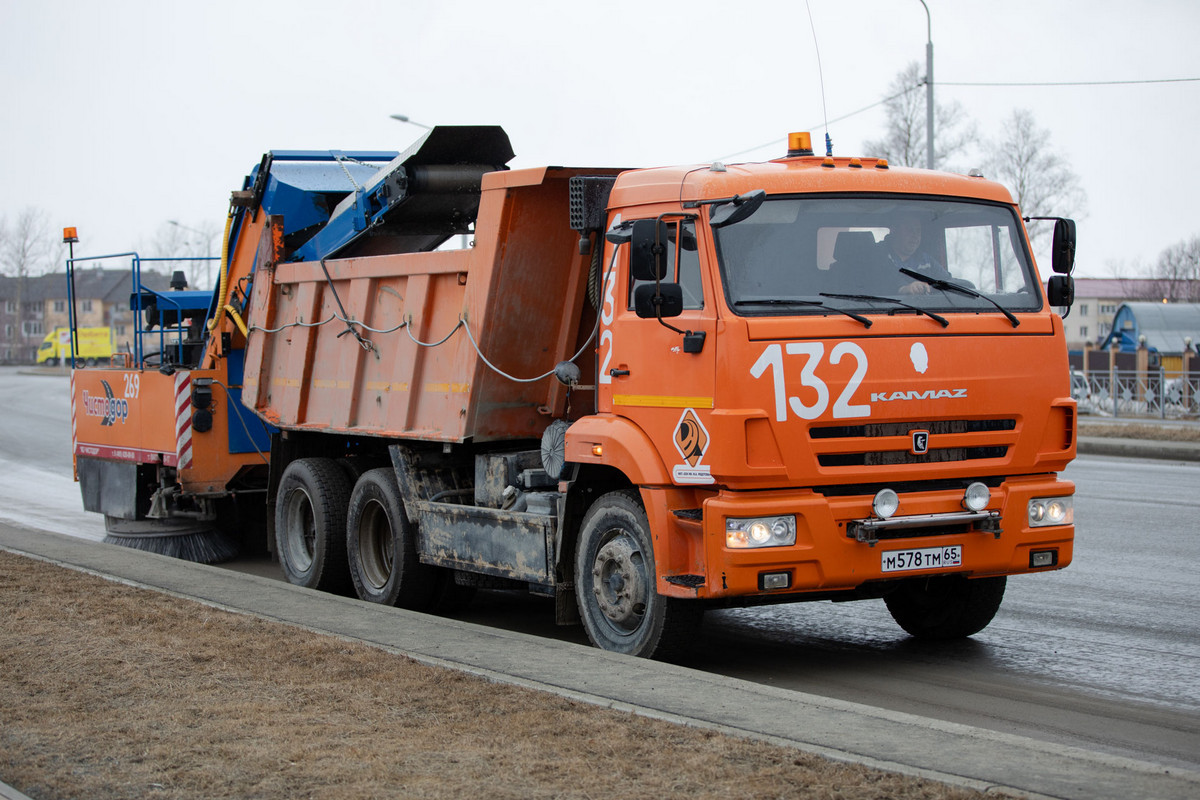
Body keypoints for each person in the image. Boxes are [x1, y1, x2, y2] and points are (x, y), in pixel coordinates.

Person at [880, 213, 953, 294]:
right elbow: (881, 280)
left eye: (918, 230)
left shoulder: (926, 260)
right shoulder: (878, 255)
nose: (915, 235)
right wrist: (905, 288)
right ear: (894, 230)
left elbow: (948, 281)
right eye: (909, 230)